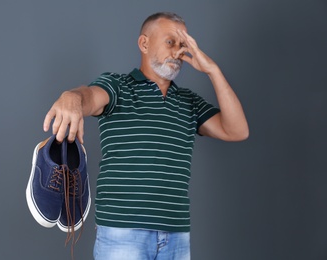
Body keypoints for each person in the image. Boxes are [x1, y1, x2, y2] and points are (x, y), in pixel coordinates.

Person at [43, 12, 248, 260]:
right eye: (170, 42)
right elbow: (89, 97)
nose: (177, 52)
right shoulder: (117, 86)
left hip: (176, 235)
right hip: (123, 233)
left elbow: (237, 130)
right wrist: (72, 98)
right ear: (144, 43)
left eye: (183, 45)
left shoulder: (189, 102)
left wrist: (212, 70)